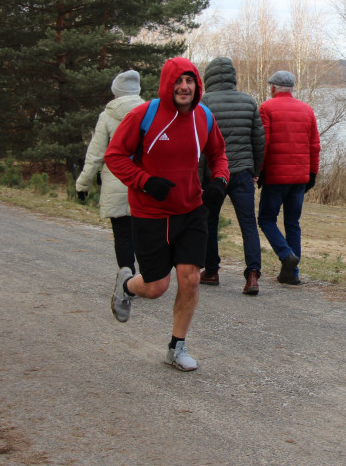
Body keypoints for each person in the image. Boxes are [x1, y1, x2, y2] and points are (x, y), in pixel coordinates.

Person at [104, 57, 229, 372]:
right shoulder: (143, 115)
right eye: (178, 81)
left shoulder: (204, 116)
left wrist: (220, 180)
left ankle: (177, 347)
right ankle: (127, 286)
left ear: (197, 85)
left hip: (191, 210)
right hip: (151, 213)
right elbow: (114, 156)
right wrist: (145, 182)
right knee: (156, 287)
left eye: (189, 80)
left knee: (190, 280)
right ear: (167, 84)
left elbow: (218, 154)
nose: (184, 87)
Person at [198, 57, 265, 295]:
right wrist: (255, 170)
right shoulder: (248, 101)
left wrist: (200, 177)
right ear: (233, 76)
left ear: (209, 77)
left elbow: (200, 145)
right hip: (243, 173)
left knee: (210, 221)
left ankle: (212, 270)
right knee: (248, 223)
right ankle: (253, 275)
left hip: (215, 175)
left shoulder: (204, 103)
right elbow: (259, 141)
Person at [75, 70, 145, 276]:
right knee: (144, 235)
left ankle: (127, 279)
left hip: (117, 182)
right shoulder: (151, 112)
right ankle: (148, 278)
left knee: (123, 235)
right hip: (145, 184)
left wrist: (83, 183)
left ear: (117, 92)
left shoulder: (106, 116)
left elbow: (95, 154)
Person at [257, 70, 320, 285]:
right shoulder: (307, 110)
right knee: (292, 222)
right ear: (292, 88)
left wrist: (259, 172)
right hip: (300, 177)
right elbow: (314, 146)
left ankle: (286, 255)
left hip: (275, 177)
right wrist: (312, 173)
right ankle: (292, 274)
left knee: (266, 219)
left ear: (273, 87)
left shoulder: (266, 108)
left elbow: (262, 144)